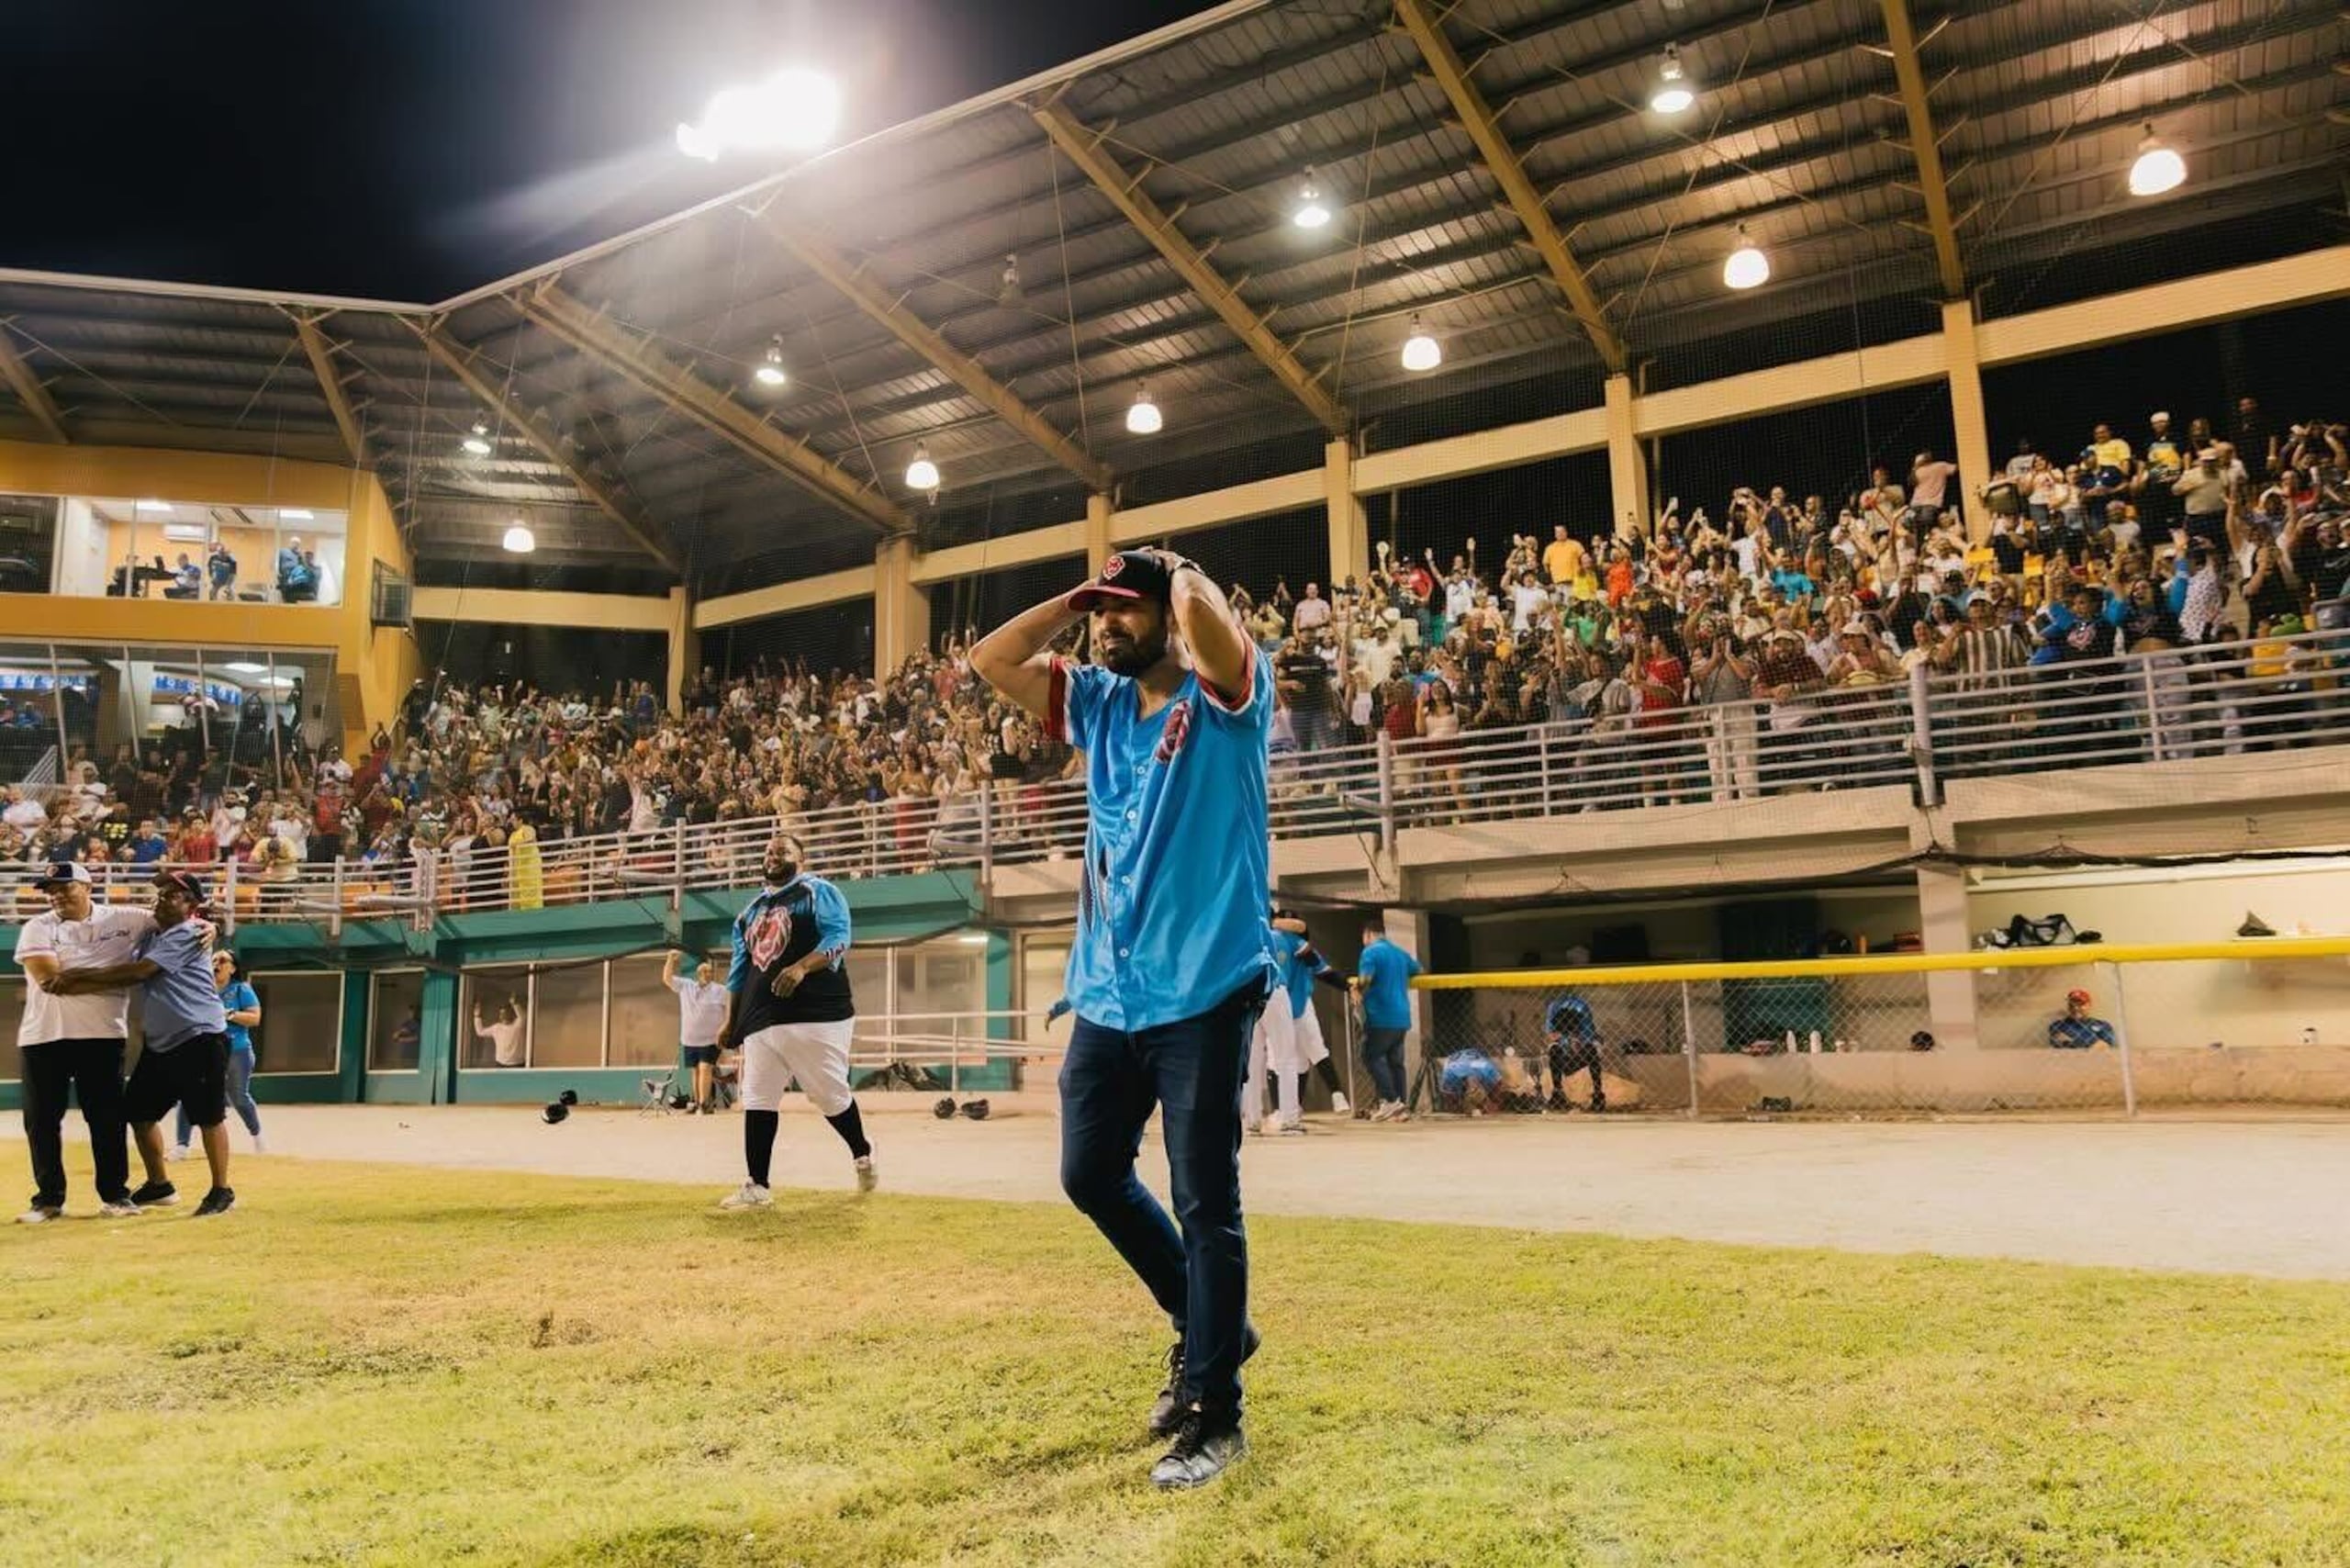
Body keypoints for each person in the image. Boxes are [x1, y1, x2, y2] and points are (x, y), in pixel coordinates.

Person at [968, 545, 1273, 1490]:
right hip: (1108, 987)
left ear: (1166, 615)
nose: (1106, 626)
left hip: (1205, 985)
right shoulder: (1095, 702)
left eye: (1120, 611)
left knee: (1203, 1197)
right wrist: (1078, 594)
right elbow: (989, 660)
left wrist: (1180, 579)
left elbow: (1217, 640)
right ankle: (1211, 1322)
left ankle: (1213, 1411)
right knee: (1089, 1172)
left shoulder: (1225, 696)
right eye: (1098, 614)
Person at [40, 869, 237, 1216]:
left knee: (207, 1116)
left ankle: (221, 1190)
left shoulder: (189, 932)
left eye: (171, 895)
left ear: (192, 905)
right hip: (162, 1044)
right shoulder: (153, 934)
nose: (161, 899)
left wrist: (74, 976)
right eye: (159, 893)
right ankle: (160, 1185)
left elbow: (139, 973)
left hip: (200, 1037)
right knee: (139, 1113)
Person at [713, 833, 874, 1206]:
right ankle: (758, 1185)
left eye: (782, 851)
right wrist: (730, 1020)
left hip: (814, 1012)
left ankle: (863, 1152)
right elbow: (739, 972)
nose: (773, 855)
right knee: (757, 1098)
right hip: (760, 1019)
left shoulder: (818, 891)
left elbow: (839, 936)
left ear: (800, 859)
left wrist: (802, 967)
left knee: (828, 1094)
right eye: (768, 851)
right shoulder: (748, 913)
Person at [11, 862, 144, 1223]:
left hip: (103, 1035)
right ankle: (49, 1200)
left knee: (107, 1119)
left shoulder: (127, 919)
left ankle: (116, 1196)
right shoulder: (37, 926)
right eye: (50, 889)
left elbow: (175, 921)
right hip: (43, 1037)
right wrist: (123, 976)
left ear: (88, 885)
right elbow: (52, 981)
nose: (55, 895)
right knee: (41, 1122)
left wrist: (205, 925)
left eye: (63, 887)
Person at [175, 949, 262, 1159]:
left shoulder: (241, 989)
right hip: (204, 1048)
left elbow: (254, 1018)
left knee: (239, 1097)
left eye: (222, 960)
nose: (217, 964)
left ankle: (257, 1136)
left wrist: (228, 1014)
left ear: (232, 968)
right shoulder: (201, 989)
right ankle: (182, 1146)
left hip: (237, 1050)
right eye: (213, 959)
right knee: (189, 1093)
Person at [1348, 915, 1421, 1121]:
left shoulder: (1370, 952)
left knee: (1369, 1055)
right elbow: (1418, 968)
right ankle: (1401, 1107)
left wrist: (1357, 989)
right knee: (1395, 1062)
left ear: (1368, 934)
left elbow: (1366, 979)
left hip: (1381, 1015)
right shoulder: (1399, 953)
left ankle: (1390, 1101)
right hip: (1402, 1016)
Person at [664, 949, 729, 1114]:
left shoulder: (720, 990)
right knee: (696, 1071)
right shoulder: (686, 986)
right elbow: (667, 979)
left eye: (710, 972)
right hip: (690, 1039)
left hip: (712, 1039)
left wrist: (726, 1028)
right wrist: (670, 959)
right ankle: (696, 1101)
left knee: (705, 1068)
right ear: (698, 974)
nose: (708, 974)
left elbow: (729, 1009)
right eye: (704, 971)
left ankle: (703, 1103)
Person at [2047, 988, 2118, 1049]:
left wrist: (2073, 1042)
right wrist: (2091, 1044)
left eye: (2080, 1004)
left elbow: (2104, 1046)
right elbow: (2060, 1042)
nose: (2075, 1008)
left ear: (2089, 1005)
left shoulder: (2102, 1025)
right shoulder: (2058, 1025)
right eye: (2072, 1004)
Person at [473, 995, 525, 1067]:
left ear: (511, 1014)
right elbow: (480, 1032)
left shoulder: (517, 1025)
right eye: (501, 1014)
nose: (504, 1016)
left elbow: (521, 1016)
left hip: (517, 1064)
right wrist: (477, 1016)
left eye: (506, 1013)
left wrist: (514, 1004)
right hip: (501, 1065)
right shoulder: (496, 1028)